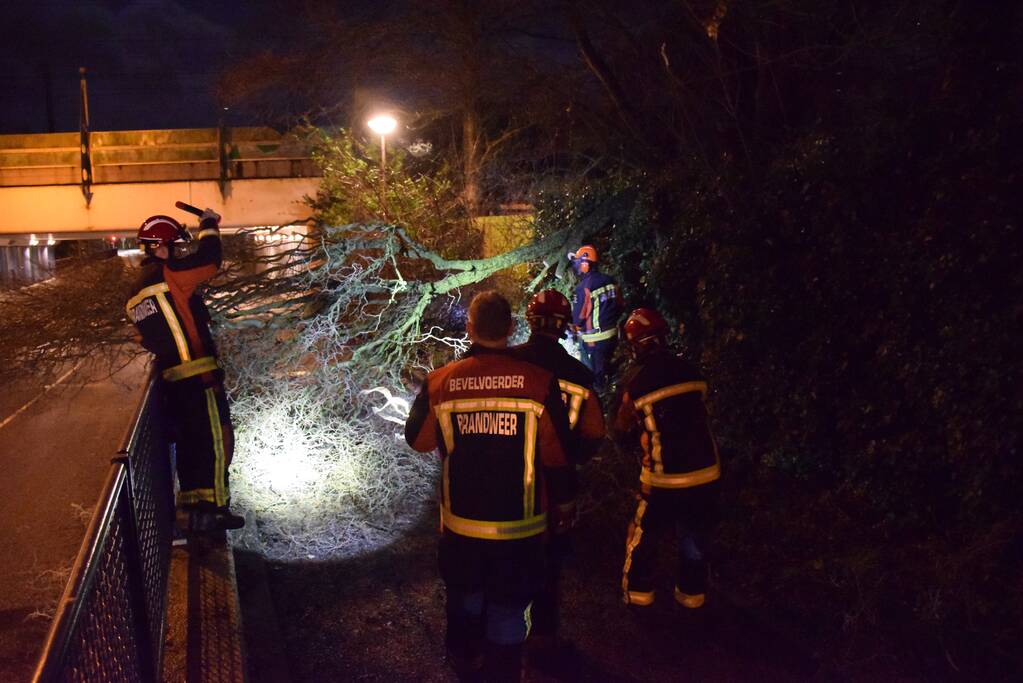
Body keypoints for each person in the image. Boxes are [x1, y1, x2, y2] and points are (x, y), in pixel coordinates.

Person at [405, 290, 574, 682]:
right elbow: (557, 455)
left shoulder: (440, 382)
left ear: (469, 328)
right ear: (512, 329)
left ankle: (466, 663)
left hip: (462, 527)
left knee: (467, 598)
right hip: (522, 530)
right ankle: (505, 673)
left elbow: (419, 441)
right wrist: (564, 505)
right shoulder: (539, 383)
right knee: (509, 609)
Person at [126, 209, 244, 533]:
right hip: (198, 375)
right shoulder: (170, 275)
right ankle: (218, 510)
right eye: (175, 246)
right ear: (159, 247)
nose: (179, 252)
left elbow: (145, 338)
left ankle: (195, 512)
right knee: (217, 441)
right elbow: (209, 260)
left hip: (172, 382)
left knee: (192, 447)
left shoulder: (134, 295)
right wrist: (209, 224)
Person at [512, 290, 606, 658]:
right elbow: (595, 431)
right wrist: (574, 458)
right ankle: (543, 636)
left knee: (508, 554)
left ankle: (504, 631)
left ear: (529, 322)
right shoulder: (579, 375)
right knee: (550, 564)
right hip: (558, 483)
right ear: (564, 327)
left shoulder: (511, 363)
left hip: (510, 477)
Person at [609, 308, 720, 609]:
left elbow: (620, 428)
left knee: (644, 534)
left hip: (662, 478)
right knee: (694, 535)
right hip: (705, 473)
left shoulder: (635, 383)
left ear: (634, 345)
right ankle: (692, 596)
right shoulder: (693, 372)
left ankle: (638, 596)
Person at [568, 245, 621, 392]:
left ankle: (601, 398)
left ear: (585, 264)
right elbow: (620, 304)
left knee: (593, 377)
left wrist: (573, 328)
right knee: (608, 366)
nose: (576, 267)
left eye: (578, 262)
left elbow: (578, 319)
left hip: (595, 340)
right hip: (613, 334)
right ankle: (612, 381)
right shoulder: (610, 280)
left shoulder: (583, 288)